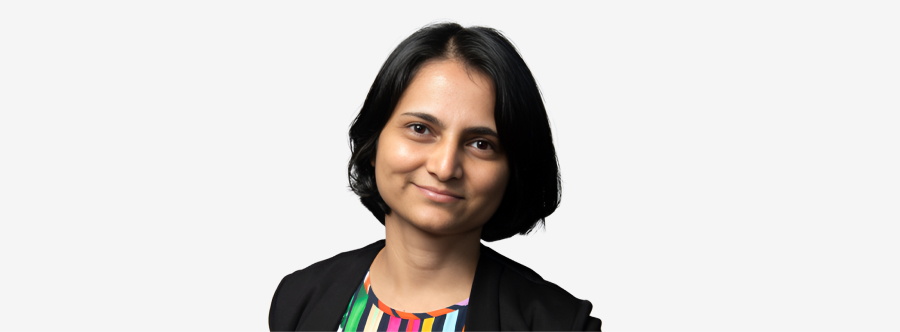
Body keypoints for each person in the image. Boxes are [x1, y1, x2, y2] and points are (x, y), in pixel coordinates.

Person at [269, 22, 603, 331]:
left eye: (481, 144)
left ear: (512, 171)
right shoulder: (298, 298)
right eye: (420, 129)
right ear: (373, 142)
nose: (444, 168)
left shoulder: (561, 324)